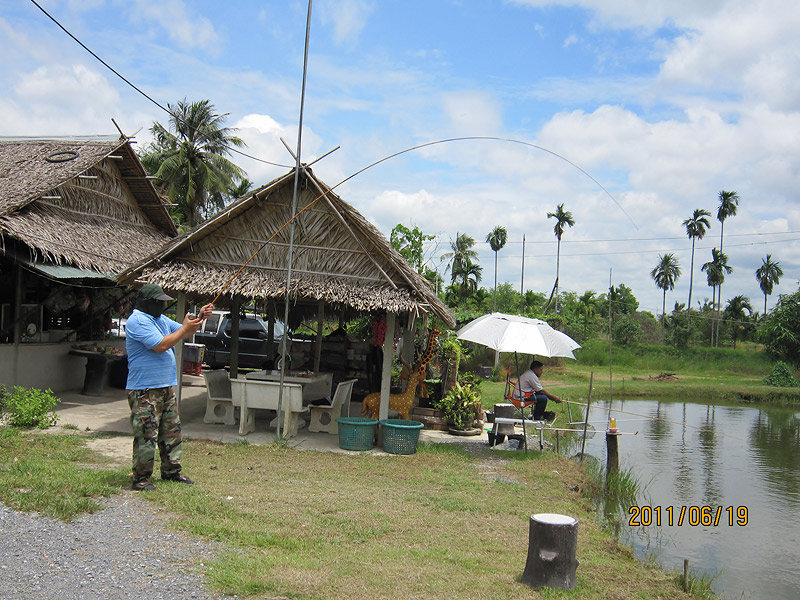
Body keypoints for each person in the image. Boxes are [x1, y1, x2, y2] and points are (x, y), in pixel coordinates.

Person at [125, 284, 213, 491]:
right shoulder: (137, 320)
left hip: (165, 386)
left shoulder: (159, 319)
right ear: (147, 302)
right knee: (147, 434)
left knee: (171, 431)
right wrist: (185, 328)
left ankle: (171, 471)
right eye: (159, 302)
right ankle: (141, 478)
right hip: (145, 389)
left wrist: (201, 316)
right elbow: (161, 345)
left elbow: (185, 330)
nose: (162, 306)